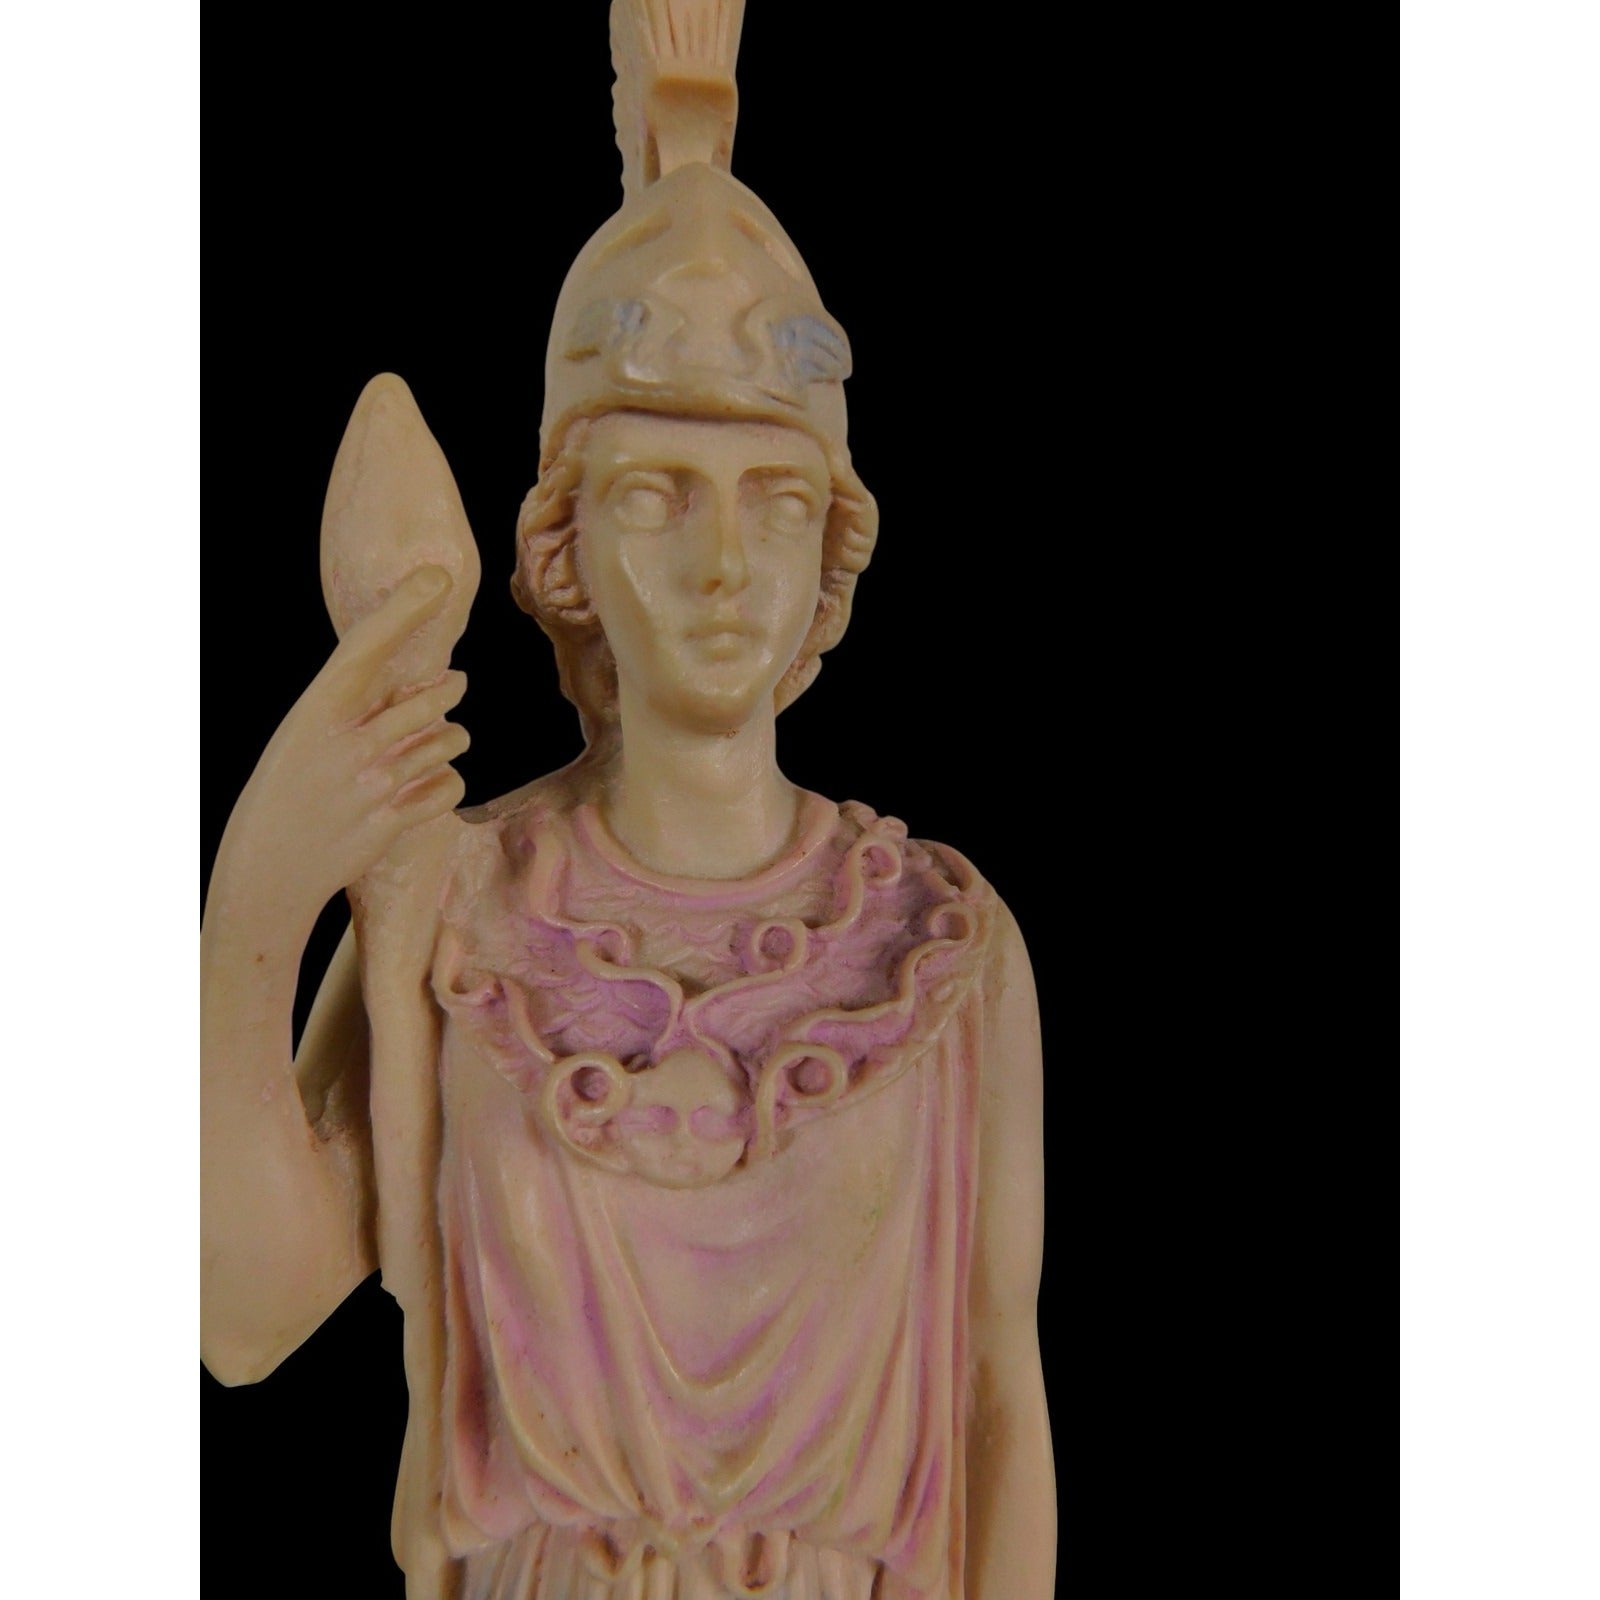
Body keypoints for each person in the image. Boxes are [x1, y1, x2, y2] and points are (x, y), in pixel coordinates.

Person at [201, 5, 1055, 1595]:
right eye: (658, 497)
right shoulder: (451, 907)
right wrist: (257, 893)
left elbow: (1001, 1389)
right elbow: (238, 1320)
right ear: (568, 551)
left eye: (774, 501)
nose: (725, 565)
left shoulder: (945, 946)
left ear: (832, 551)